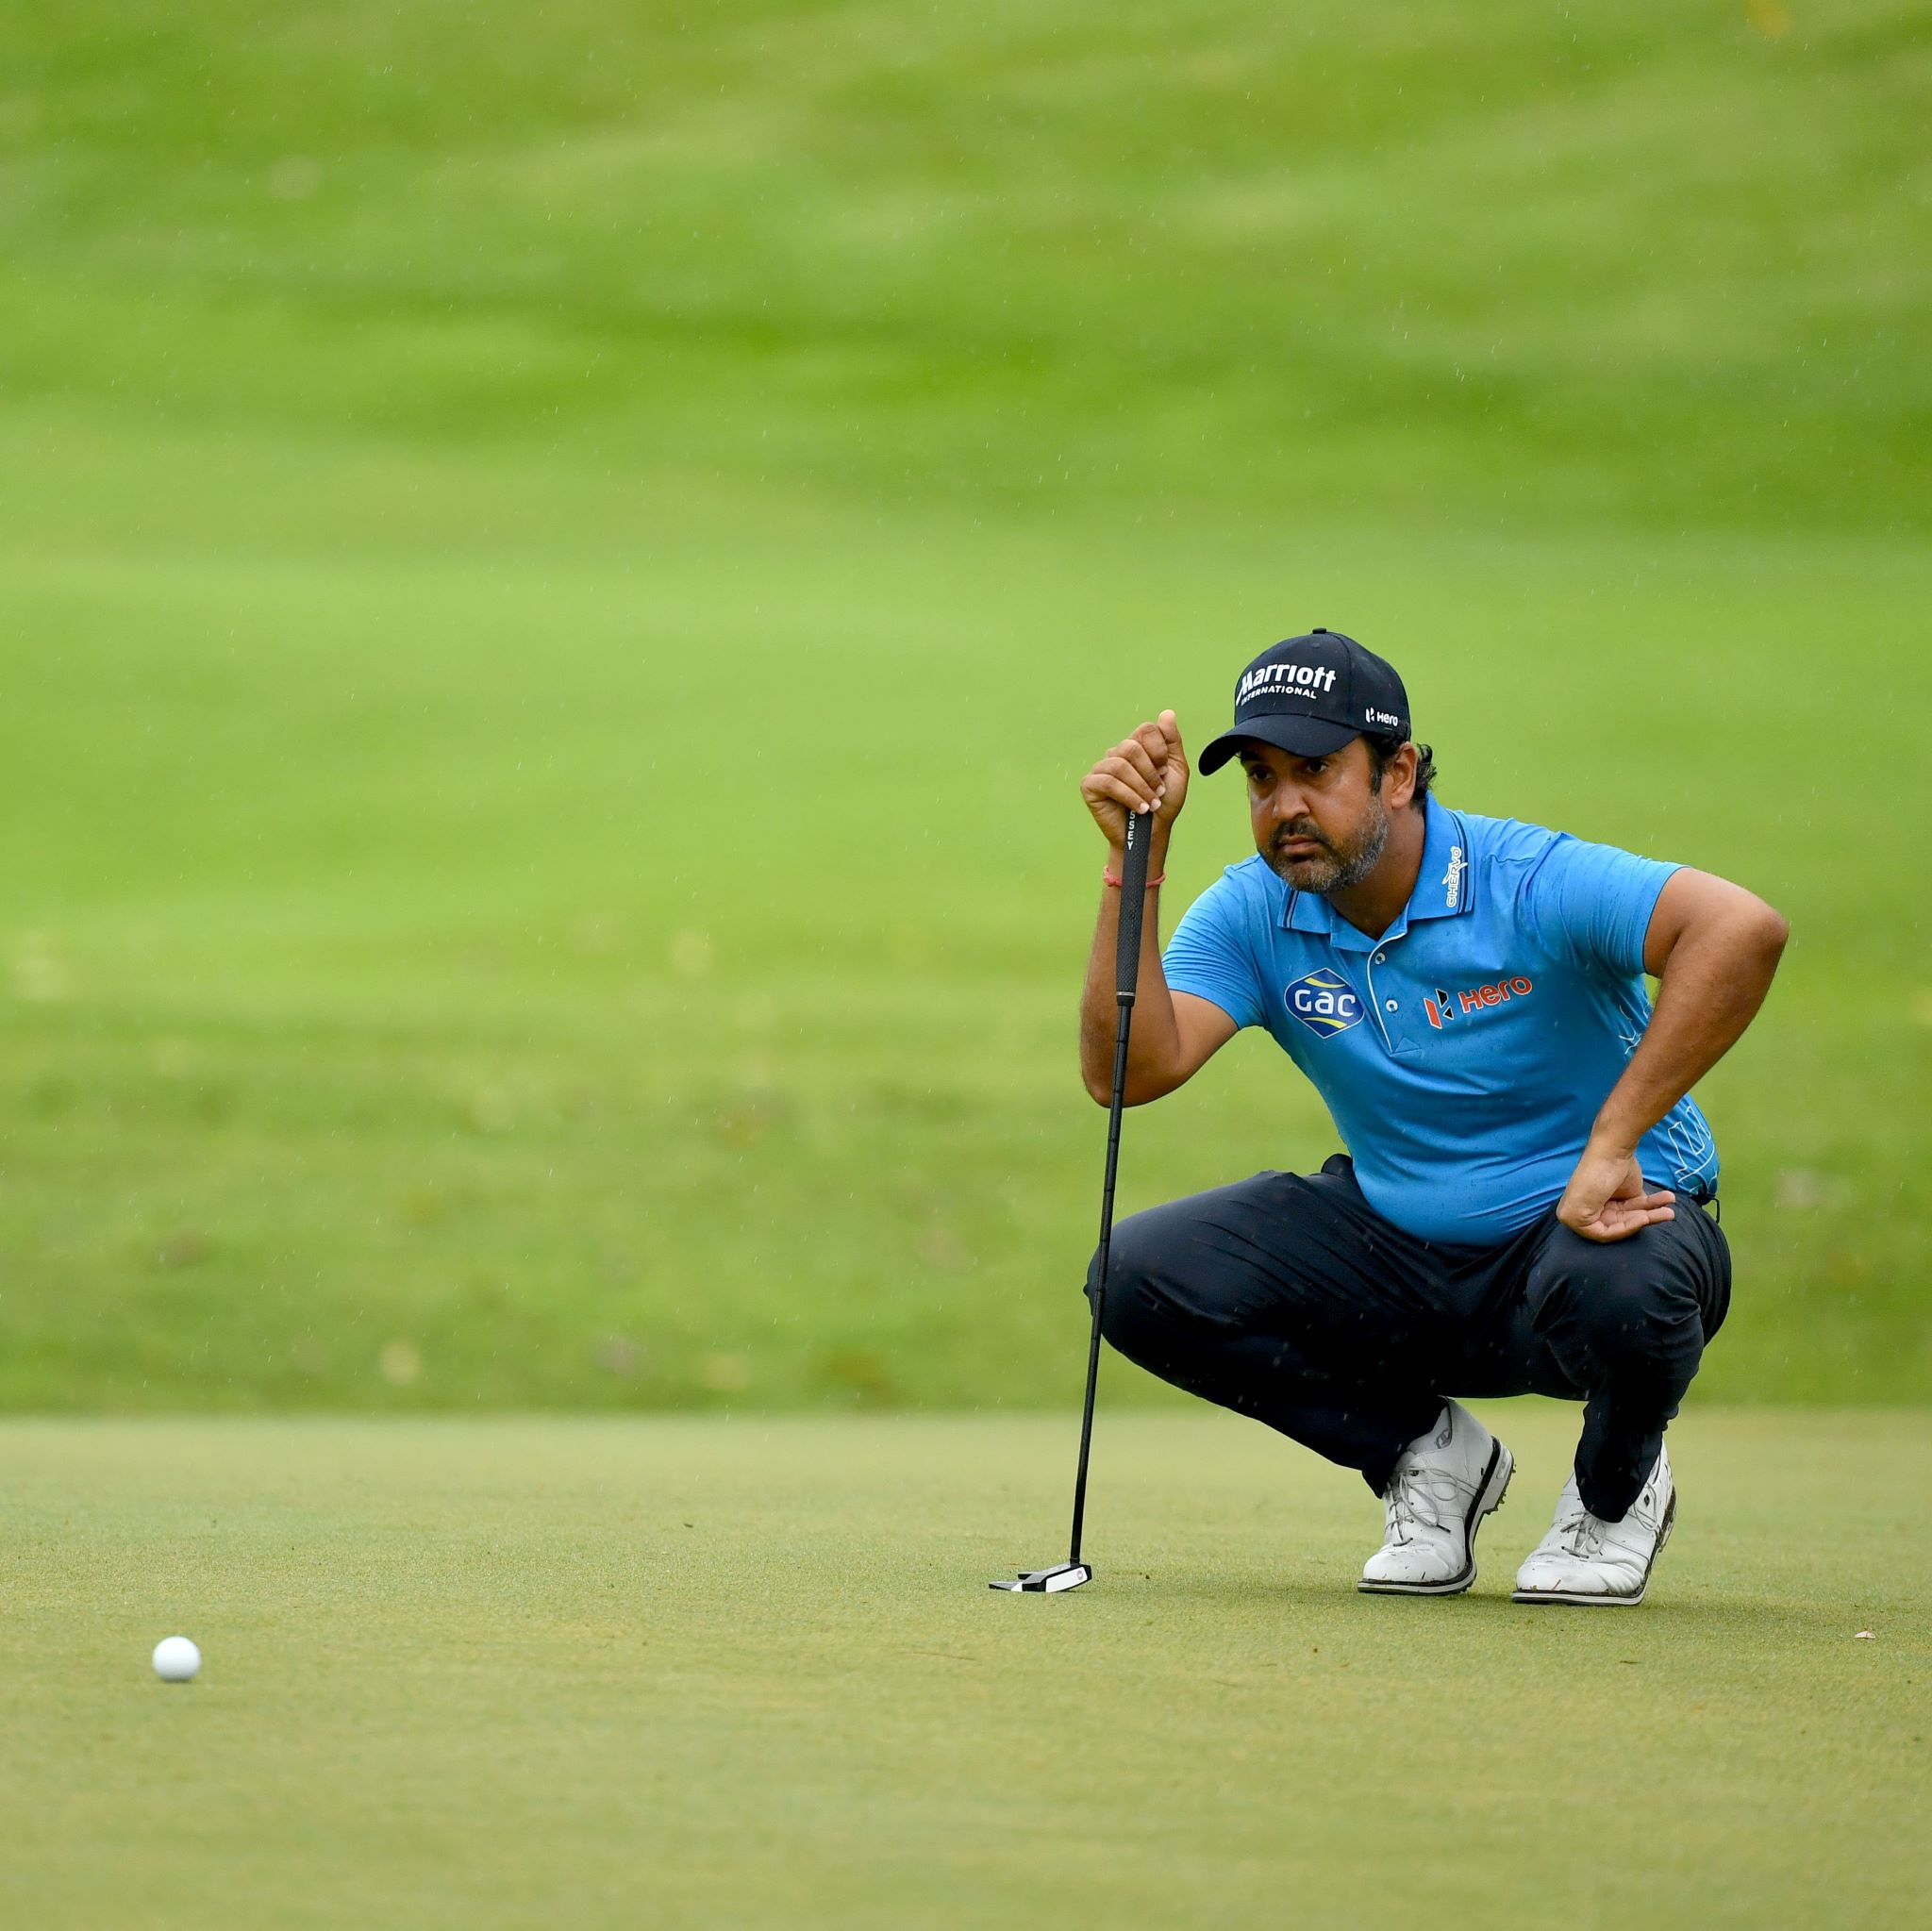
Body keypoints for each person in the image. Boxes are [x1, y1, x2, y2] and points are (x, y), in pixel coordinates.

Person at [1077, 630, 1787, 1605]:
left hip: (1587, 1238)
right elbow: (1129, 1071)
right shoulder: (1255, 910)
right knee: (1137, 1276)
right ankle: (1426, 1454)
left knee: (1627, 1281)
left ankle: (1613, 1491)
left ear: (1399, 771)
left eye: (1316, 770)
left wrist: (1614, 1139)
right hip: (1403, 1259)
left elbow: (1739, 929)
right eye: (1261, 777)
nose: (1285, 805)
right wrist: (1135, 867)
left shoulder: (1522, 877)